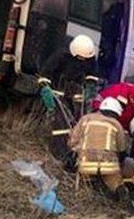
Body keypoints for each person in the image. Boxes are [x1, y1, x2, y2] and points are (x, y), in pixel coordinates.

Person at [39, 35, 101, 166]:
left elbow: (92, 74)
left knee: (78, 124)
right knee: (61, 124)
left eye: (86, 58)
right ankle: (60, 154)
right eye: (81, 58)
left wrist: (90, 86)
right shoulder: (61, 55)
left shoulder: (90, 56)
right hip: (59, 91)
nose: (83, 60)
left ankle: (74, 153)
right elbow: (45, 74)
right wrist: (46, 89)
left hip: (77, 93)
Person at [68, 97, 129, 199]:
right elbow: (121, 149)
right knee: (115, 180)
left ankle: (87, 195)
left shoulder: (85, 119)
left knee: (86, 179)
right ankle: (121, 197)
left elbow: (72, 141)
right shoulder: (116, 124)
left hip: (85, 163)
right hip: (109, 166)